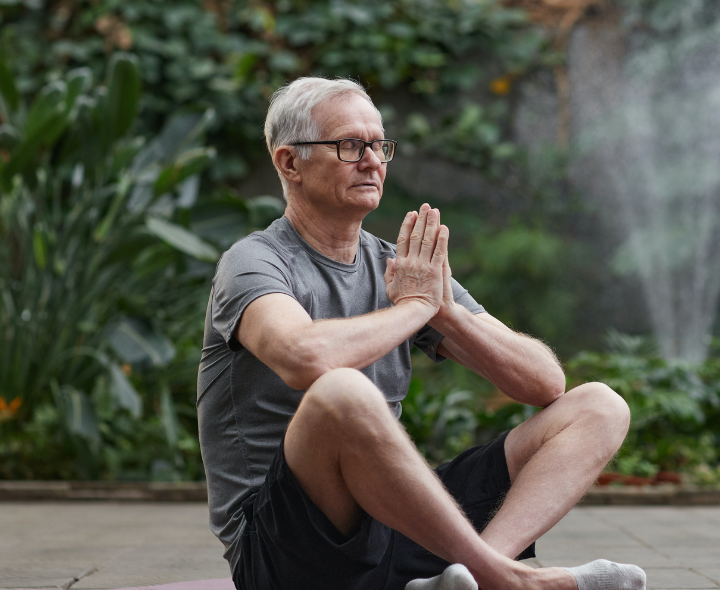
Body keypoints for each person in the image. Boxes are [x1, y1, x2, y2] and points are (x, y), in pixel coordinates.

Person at [196, 76, 646, 590]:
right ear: (290, 163)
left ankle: (472, 576)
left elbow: (544, 383)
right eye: (349, 145)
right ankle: (506, 579)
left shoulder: (402, 268)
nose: (372, 160)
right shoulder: (253, 262)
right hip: (284, 553)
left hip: (393, 531)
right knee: (341, 392)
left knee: (598, 406)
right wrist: (416, 306)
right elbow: (305, 358)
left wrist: (445, 312)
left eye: (379, 145)